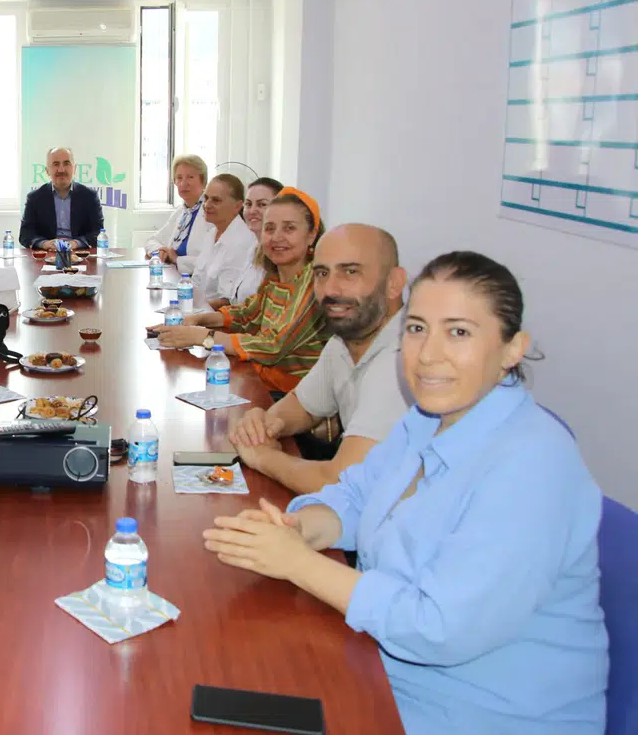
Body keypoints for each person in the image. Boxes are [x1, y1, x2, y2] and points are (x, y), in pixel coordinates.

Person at [204, 251, 607, 735]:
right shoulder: (427, 421)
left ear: (511, 348)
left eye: (459, 332)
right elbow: (354, 496)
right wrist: (297, 529)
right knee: (214, 666)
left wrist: (298, 563)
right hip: (381, 669)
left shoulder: (533, 466)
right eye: (416, 329)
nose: (428, 354)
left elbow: (438, 628)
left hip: (478, 713)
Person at [230, 224, 410, 486]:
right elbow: (304, 406)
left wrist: (261, 456)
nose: (330, 289)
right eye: (322, 273)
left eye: (350, 272)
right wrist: (265, 423)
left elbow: (343, 482)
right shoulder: (345, 340)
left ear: (394, 283)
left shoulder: (404, 360)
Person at [154, 188, 329, 393]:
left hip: (292, 397)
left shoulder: (315, 283)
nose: (277, 237)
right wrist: (197, 320)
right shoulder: (276, 277)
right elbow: (248, 315)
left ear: (312, 234)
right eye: (269, 228)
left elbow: (273, 346)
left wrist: (203, 337)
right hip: (262, 379)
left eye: (289, 228)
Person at [207, 177, 283, 310]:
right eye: (248, 204)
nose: (252, 211)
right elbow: (236, 302)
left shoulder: (279, 256)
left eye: (262, 204)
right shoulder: (254, 248)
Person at [188, 174, 259, 305]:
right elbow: (196, 282)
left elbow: (227, 301)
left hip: (213, 313)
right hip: (198, 308)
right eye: (206, 198)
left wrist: (193, 309)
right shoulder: (212, 233)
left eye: (216, 200)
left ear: (237, 206)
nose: (207, 205)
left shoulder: (241, 242)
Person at [18, 146, 105, 249]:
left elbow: (98, 232)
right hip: (48, 254)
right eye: (56, 164)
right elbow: (25, 234)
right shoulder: (34, 198)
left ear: (74, 168)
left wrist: (76, 243)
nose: (61, 169)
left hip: (79, 253)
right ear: (47, 170)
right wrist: (44, 244)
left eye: (66, 163)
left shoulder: (89, 196)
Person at [143, 154, 212, 272]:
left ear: (203, 181)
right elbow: (152, 241)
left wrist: (176, 259)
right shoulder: (181, 213)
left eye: (190, 177)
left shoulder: (211, 212)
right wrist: (160, 251)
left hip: (197, 280)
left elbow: (211, 261)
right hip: (175, 276)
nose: (183, 183)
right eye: (179, 178)